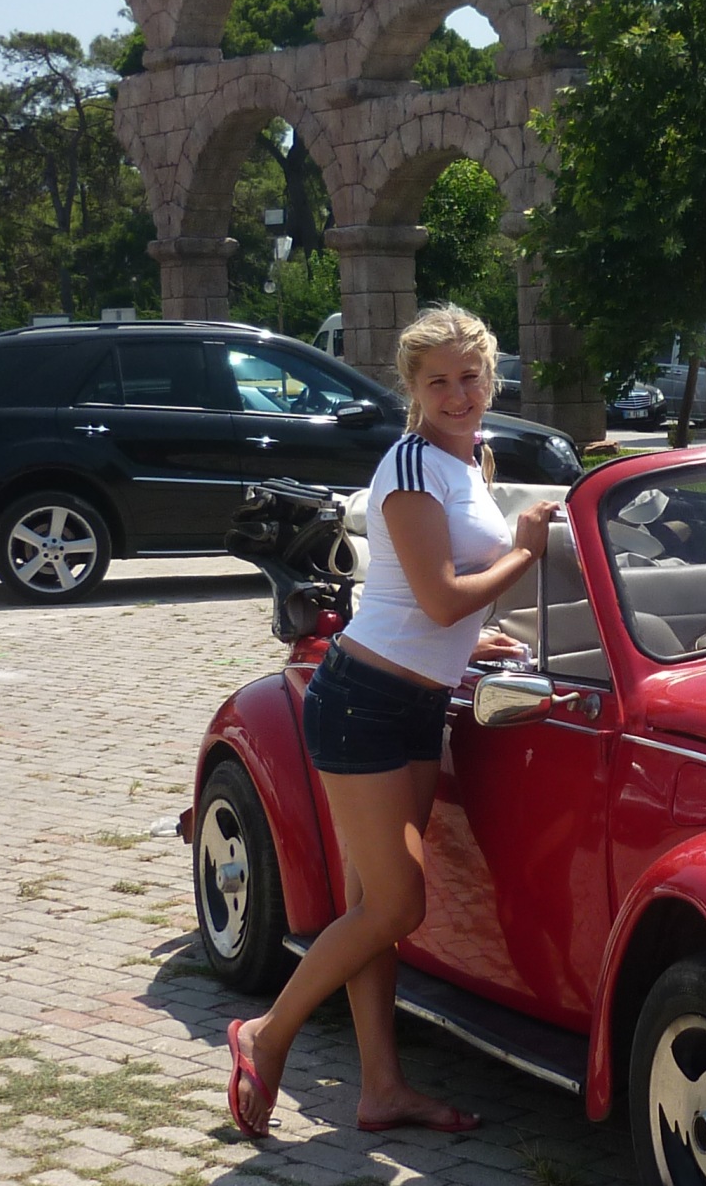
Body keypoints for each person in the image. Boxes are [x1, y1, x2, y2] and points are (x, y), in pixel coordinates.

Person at [225, 306, 556, 1138]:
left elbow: (421, 593)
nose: (457, 394)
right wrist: (525, 551)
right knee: (396, 908)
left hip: (417, 699)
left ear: (492, 377)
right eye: (438, 381)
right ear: (412, 387)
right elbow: (441, 595)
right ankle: (267, 1033)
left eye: (470, 377)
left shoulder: (471, 457)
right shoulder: (410, 465)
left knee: (371, 904)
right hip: (363, 701)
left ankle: (380, 1088)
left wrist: (470, 637)